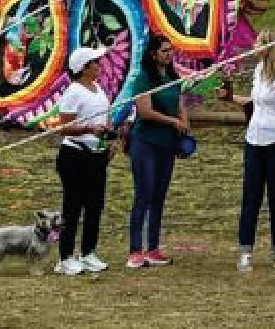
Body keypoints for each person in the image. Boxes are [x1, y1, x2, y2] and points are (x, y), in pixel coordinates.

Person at [230, 39, 275, 272]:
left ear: (271, 46)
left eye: (259, 43)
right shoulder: (260, 70)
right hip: (254, 140)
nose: (253, 46)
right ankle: (245, 251)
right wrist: (230, 98)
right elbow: (255, 103)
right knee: (250, 196)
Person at [122, 34, 191, 269]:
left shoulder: (173, 78)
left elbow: (179, 105)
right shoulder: (143, 79)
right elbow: (144, 111)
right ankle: (134, 250)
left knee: (159, 196)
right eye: (164, 51)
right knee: (144, 193)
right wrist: (173, 122)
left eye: (171, 50)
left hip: (167, 145)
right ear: (153, 54)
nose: (169, 54)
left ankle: (153, 248)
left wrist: (184, 123)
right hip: (145, 143)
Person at [50, 45, 117, 276]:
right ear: (84, 68)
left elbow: (105, 118)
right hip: (74, 156)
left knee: (95, 206)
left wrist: (109, 140)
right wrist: (89, 128)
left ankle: (88, 252)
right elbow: (64, 126)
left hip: (96, 156)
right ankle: (65, 256)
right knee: (73, 206)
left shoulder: (98, 89)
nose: (99, 66)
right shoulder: (73, 92)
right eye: (95, 63)